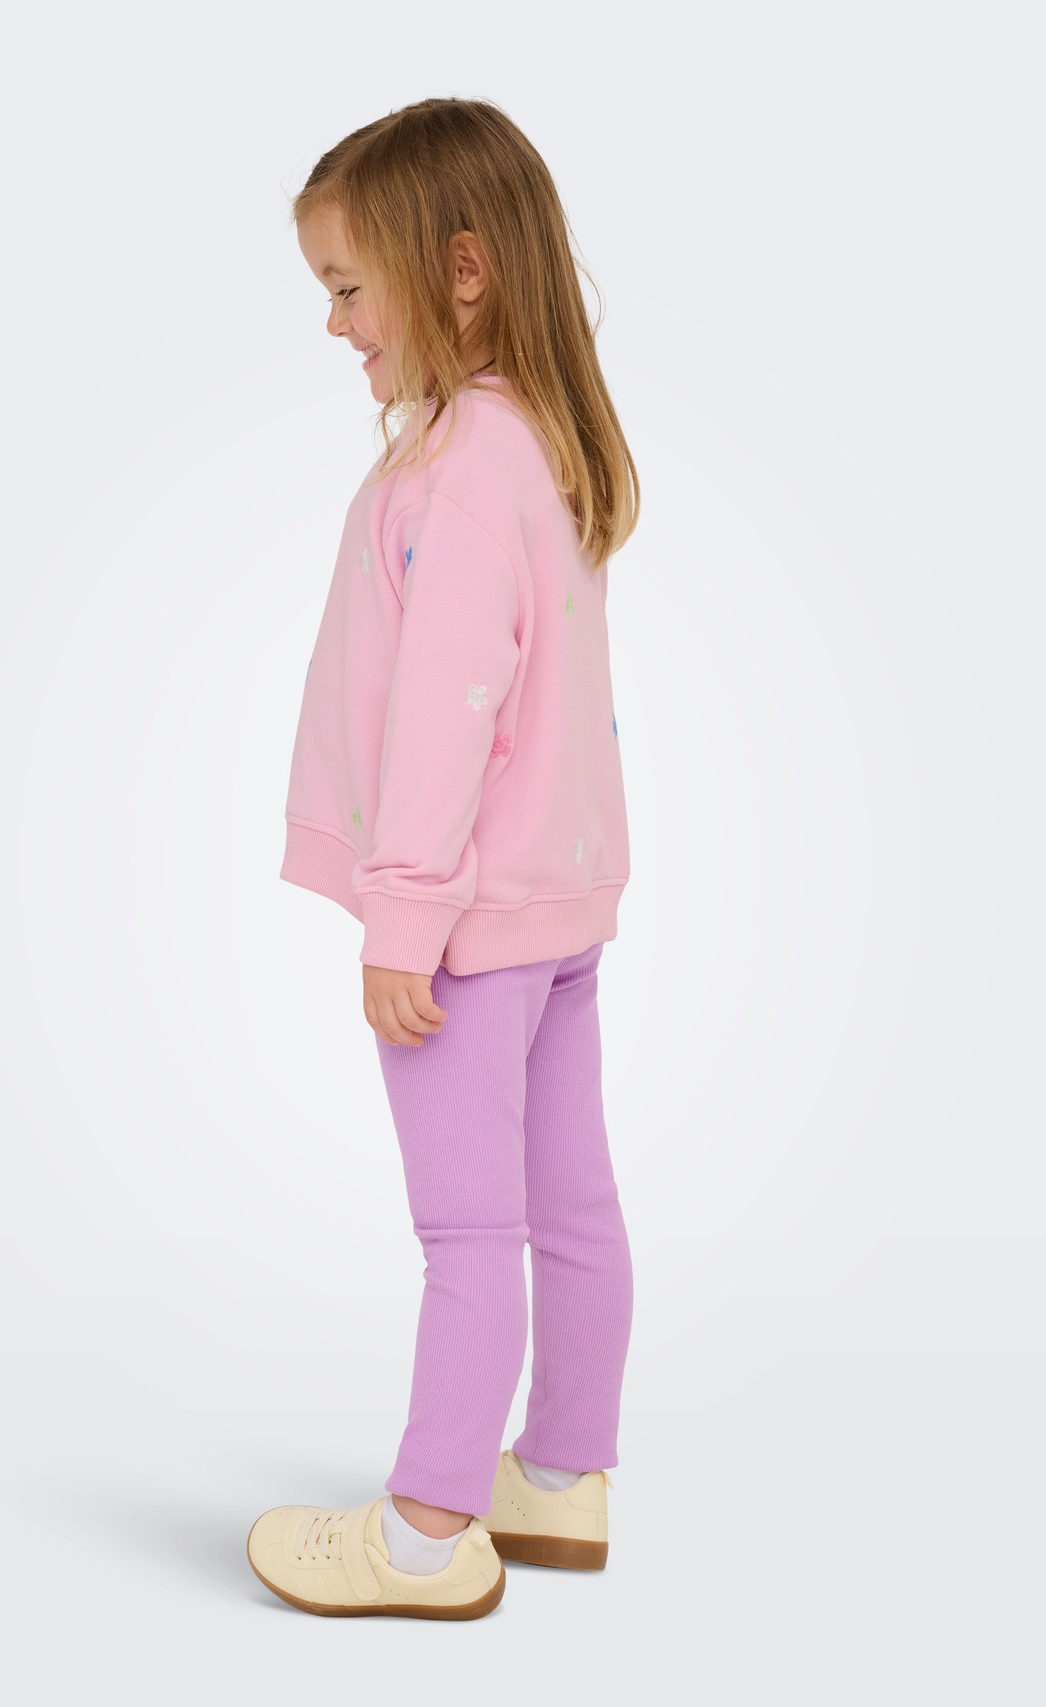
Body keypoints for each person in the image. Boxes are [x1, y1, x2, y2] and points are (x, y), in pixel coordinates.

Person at [246, 96, 640, 1621]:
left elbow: (447, 712)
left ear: (460, 271)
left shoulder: (462, 463)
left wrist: (400, 919)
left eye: (350, 287)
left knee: (467, 1229)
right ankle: (562, 1478)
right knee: (570, 1206)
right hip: (556, 908)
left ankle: (423, 1535)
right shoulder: (540, 440)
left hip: (465, 923)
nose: (336, 325)